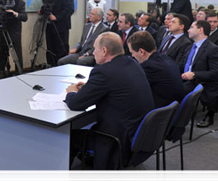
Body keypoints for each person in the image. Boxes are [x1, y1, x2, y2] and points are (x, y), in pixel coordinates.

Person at [65, 32, 154, 178]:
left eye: (95, 49)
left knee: (70, 136)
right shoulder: (132, 63)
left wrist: (71, 92)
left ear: (104, 51)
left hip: (116, 140)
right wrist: (91, 87)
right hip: (137, 133)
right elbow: (117, 85)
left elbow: (76, 104)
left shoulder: (103, 72)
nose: (93, 52)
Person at [181, 20, 218, 128]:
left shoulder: (213, 49)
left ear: (200, 30)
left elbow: (216, 73)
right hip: (185, 78)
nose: (188, 30)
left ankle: (175, 121)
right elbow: (182, 65)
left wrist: (194, 74)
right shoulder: (190, 47)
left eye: (191, 27)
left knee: (173, 91)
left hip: (199, 82)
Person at [128, 31, 185, 107]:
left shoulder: (149, 67)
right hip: (174, 108)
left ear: (141, 51)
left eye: (132, 53)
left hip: (162, 112)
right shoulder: (165, 58)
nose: (132, 56)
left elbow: (131, 88)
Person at [38, 0, 72, 66]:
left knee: (60, 46)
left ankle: (60, 65)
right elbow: (45, 6)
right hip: (49, 26)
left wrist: (56, 17)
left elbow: (67, 11)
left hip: (60, 26)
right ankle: (50, 64)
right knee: (50, 46)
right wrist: (41, 11)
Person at [0, 0, 28, 73]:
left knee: (17, 53)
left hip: (15, 31)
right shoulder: (2, 1)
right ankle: (0, 72)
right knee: (3, 51)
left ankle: (19, 72)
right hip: (4, 28)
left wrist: (15, 13)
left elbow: (24, 17)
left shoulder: (20, 3)